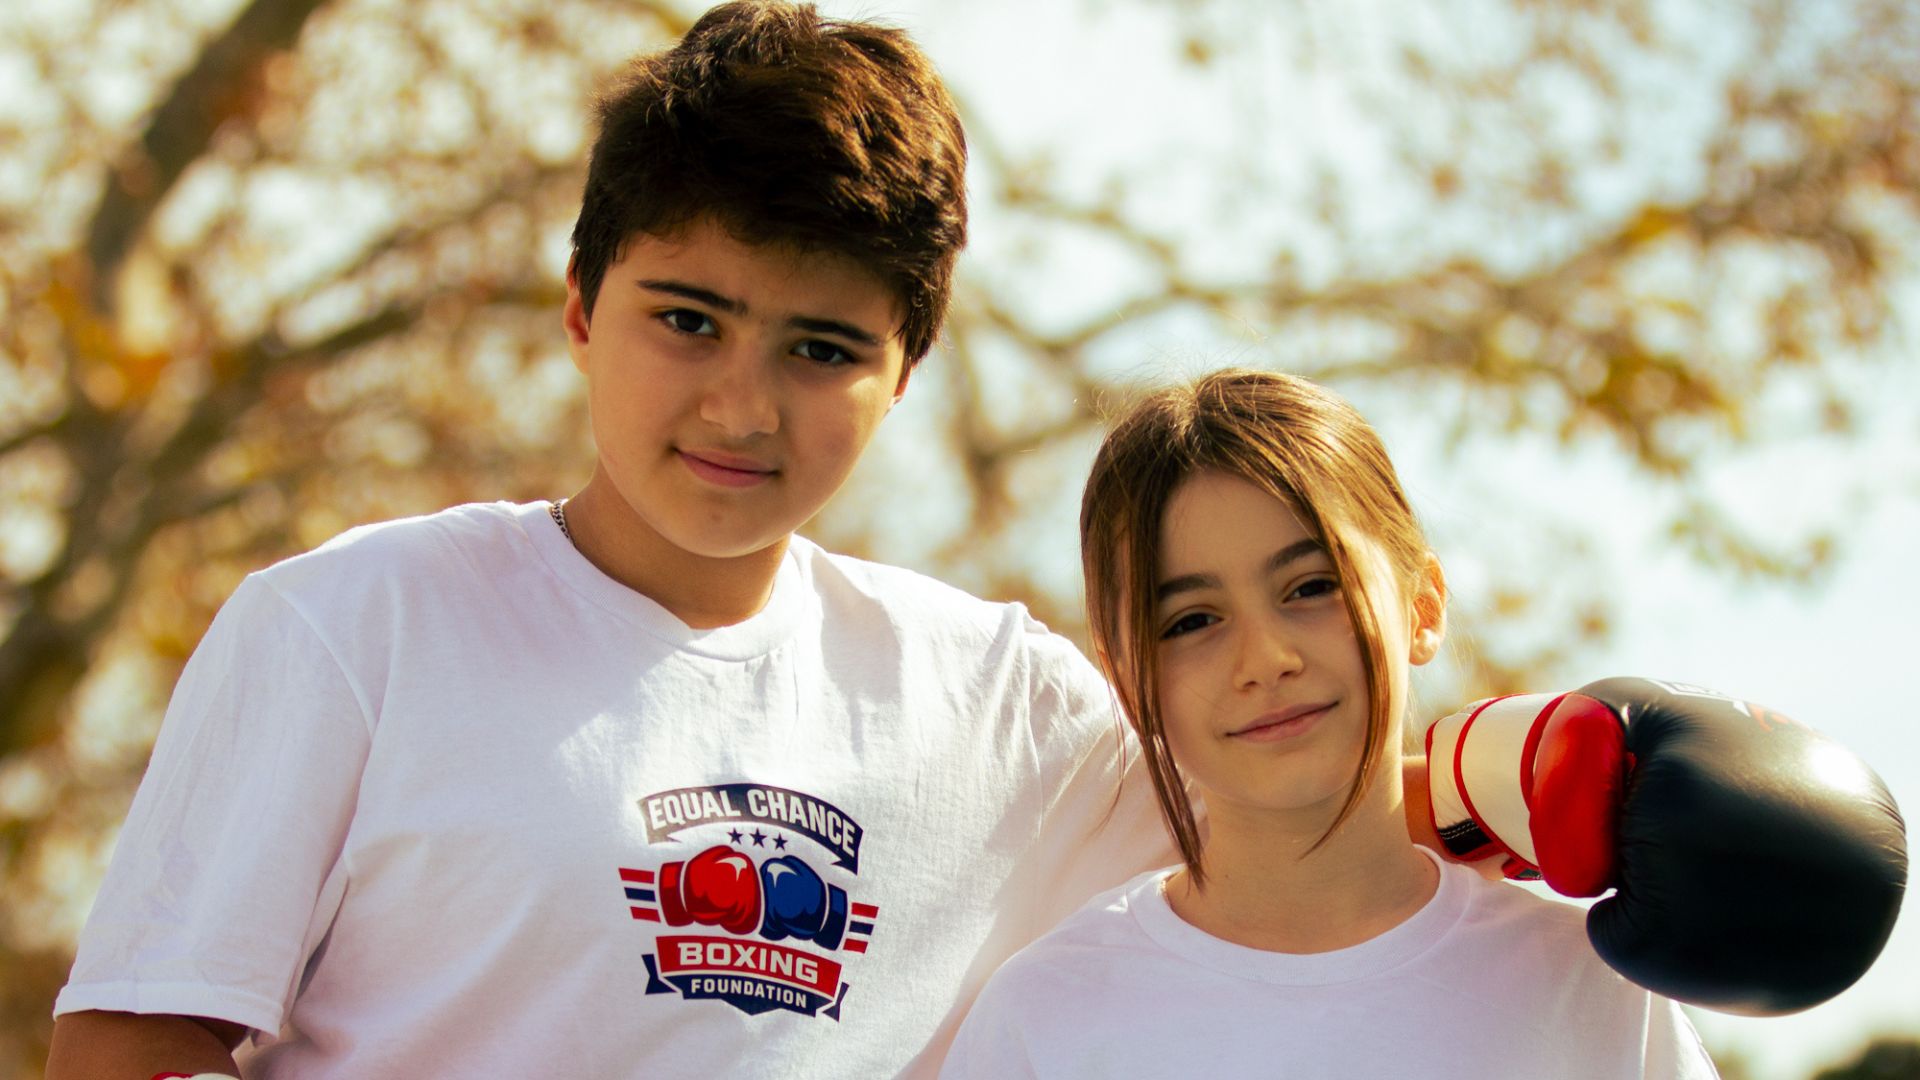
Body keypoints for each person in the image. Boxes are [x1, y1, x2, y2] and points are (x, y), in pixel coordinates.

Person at [940, 369, 1724, 1078]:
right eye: (1190, 621)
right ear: (1124, 676)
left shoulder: (1580, 983)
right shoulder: (1047, 1018)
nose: (1265, 658)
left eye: (1311, 586)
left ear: (1423, 603)